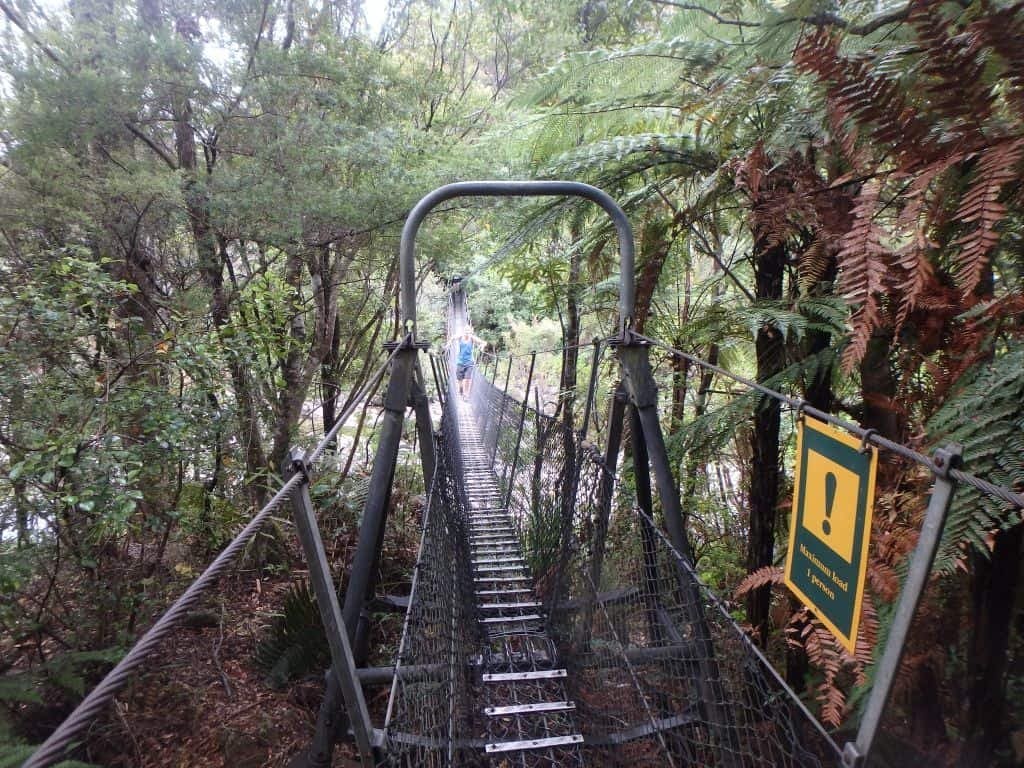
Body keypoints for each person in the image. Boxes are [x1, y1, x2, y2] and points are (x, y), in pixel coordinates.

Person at [450, 325, 487, 400]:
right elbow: (452, 338)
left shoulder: (472, 338)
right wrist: (448, 344)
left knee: (467, 378)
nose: (467, 333)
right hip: (460, 361)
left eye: (469, 332)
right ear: (463, 332)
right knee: (459, 378)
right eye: (466, 331)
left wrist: (482, 346)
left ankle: (466, 394)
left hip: (469, 362)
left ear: (471, 332)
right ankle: (461, 388)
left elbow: (484, 342)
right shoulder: (460, 337)